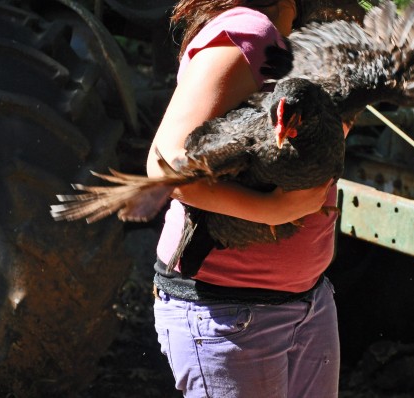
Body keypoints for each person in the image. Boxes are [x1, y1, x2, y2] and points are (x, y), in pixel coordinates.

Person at [147, 1, 350, 396]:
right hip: (229, 312)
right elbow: (165, 165)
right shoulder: (252, 33)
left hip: (307, 300)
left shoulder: (286, 44)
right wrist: (275, 210)